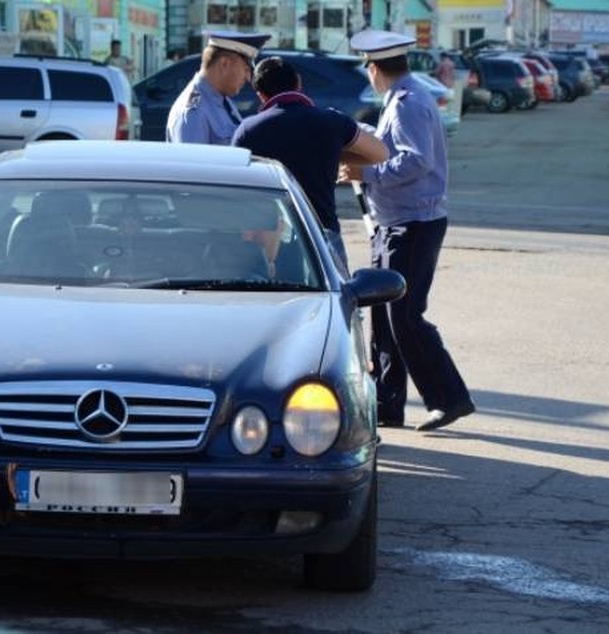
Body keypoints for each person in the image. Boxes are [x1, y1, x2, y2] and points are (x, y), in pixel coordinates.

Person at [339, 29, 474, 432]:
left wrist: (369, 173)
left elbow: (417, 160)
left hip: (414, 223)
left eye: (368, 68)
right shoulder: (399, 99)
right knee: (384, 315)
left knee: (405, 315)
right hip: (394, 220)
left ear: (374, 67)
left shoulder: (410, 102)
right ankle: (387, 403)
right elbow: (394, 148)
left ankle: (449, 398)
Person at [231, 56, 389, 269]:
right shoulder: (331, 121)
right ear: (299, 84)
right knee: (334, 297)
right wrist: (334, 154)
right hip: (323, 232)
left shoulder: (248, 131)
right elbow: (380, 153)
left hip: (270, 239)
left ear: (260, 94)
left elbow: (238, 189)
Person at [166, 31, 271, 145]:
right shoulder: (194, 113)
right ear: (224, 64)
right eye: (245, 69)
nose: (248, 78)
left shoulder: (222, 100)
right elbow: (193, 161)